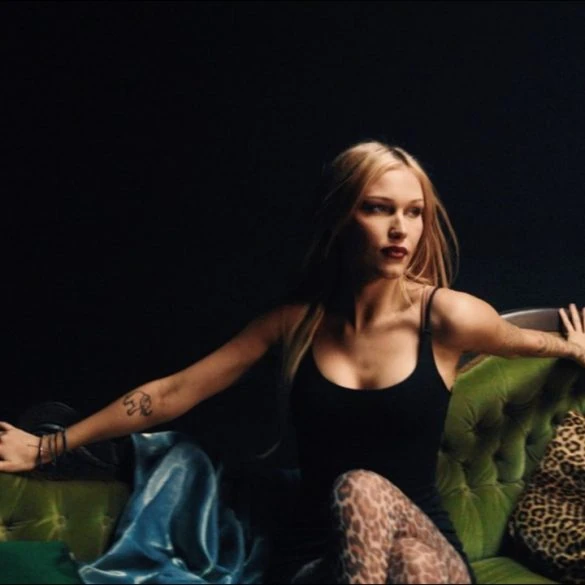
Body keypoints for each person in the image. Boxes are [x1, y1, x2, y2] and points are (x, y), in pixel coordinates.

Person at [0, 141, 584, 584]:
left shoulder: (447, 316)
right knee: (366, 511)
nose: (400, 229)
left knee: (376, 506)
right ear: (342, 217)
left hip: (428, 551)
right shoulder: (294, 324)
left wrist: (572, 348)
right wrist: (50, 446)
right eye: (379, 209)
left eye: (414, 213)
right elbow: (177, 391)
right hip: (313, 558)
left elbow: (522, 340)